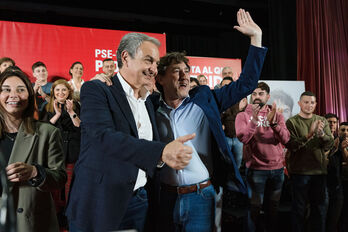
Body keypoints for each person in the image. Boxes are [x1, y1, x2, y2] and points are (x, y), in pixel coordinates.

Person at [66, 32, 195, 232]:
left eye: (156, 63)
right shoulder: (97, 89)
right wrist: (160, 152)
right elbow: (103, 138)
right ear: (125, 57)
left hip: (141, 201)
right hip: (101, 202)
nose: (154, 68)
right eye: (148, 60)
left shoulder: (149, 101)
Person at [153, 8, 267, 232]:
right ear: (161, 78)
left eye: (187, 70)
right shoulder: (150, 108)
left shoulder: (205, 98)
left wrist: (256, 38)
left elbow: (246, 84)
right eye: (177, 71)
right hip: (164, 199)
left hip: (201, 197)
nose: (185, 75)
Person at [0, 68, 67, 232]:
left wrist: (35, 172)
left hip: (31, 222)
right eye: (6, 90)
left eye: (21, 90)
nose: (14, 95)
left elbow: (59, 177)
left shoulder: (48, 132)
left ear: (30, 96)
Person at [235, 82, 290, 232]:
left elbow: (286, 140)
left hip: (277, 170)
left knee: (273, 209)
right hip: (256, 170)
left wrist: (274, 124)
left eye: (261, 94)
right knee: (254, 209)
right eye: (254, 94)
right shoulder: (242, 115)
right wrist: (253, 118)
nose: (257, 97)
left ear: (268, 96)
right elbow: (244, 138)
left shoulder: (277, 115)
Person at [285, 91, 334, 232]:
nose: (309, 105)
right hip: (300, 172)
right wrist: (309, 135)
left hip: (319, 172)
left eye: (312, 102)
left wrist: (322, 135)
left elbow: (329, 144)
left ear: (316, 104)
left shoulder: (322, 120)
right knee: (299, 210)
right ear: (299, 103)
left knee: (319, 210)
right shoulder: (292, 122)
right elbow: (291, 145)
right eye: (306, 102)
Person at [40, 79, 81, 229]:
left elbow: (81, 127)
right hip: (54, 151)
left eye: (63, 90)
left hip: (73, 151)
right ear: (53, 93)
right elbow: (43, 129)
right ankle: (56, 216)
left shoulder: (77, 106)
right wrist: (57, 114)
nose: (60, 93)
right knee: (55, 186)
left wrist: (71, 113)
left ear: (69, 92)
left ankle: (69, 216)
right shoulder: (47, 106)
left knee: (71, 186)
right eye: (57, 91)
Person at [220, 76, 247, 170]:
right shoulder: (218, 100)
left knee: (238, 164)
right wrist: (237, 110)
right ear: (220, 87)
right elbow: (219, 118)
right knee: (224, 164)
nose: (226, 88)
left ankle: (236, 182)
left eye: (228, 85)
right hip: (225, 137)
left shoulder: (240, 98)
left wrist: (229, 114)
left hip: (238, 138)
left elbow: (242, 118)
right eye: (224, 85)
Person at [326, 122, 348, 232]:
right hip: (336, 183)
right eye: (343, 130)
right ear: (338, 132)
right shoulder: (335, 143)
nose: (345, 132)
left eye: (347, 130)